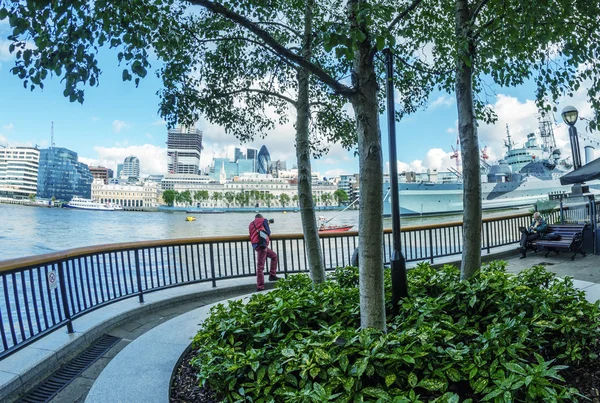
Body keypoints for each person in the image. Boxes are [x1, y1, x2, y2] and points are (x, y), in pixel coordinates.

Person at [248, 214, 279, 291]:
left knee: (274, 256)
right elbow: (268, 232)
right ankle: (260, 286)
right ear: (261, 217)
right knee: (260, 266)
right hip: (262, 245)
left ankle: (272, 275)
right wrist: (267, 224)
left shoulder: (251, 224)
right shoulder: (263, 220)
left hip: (256, 245)